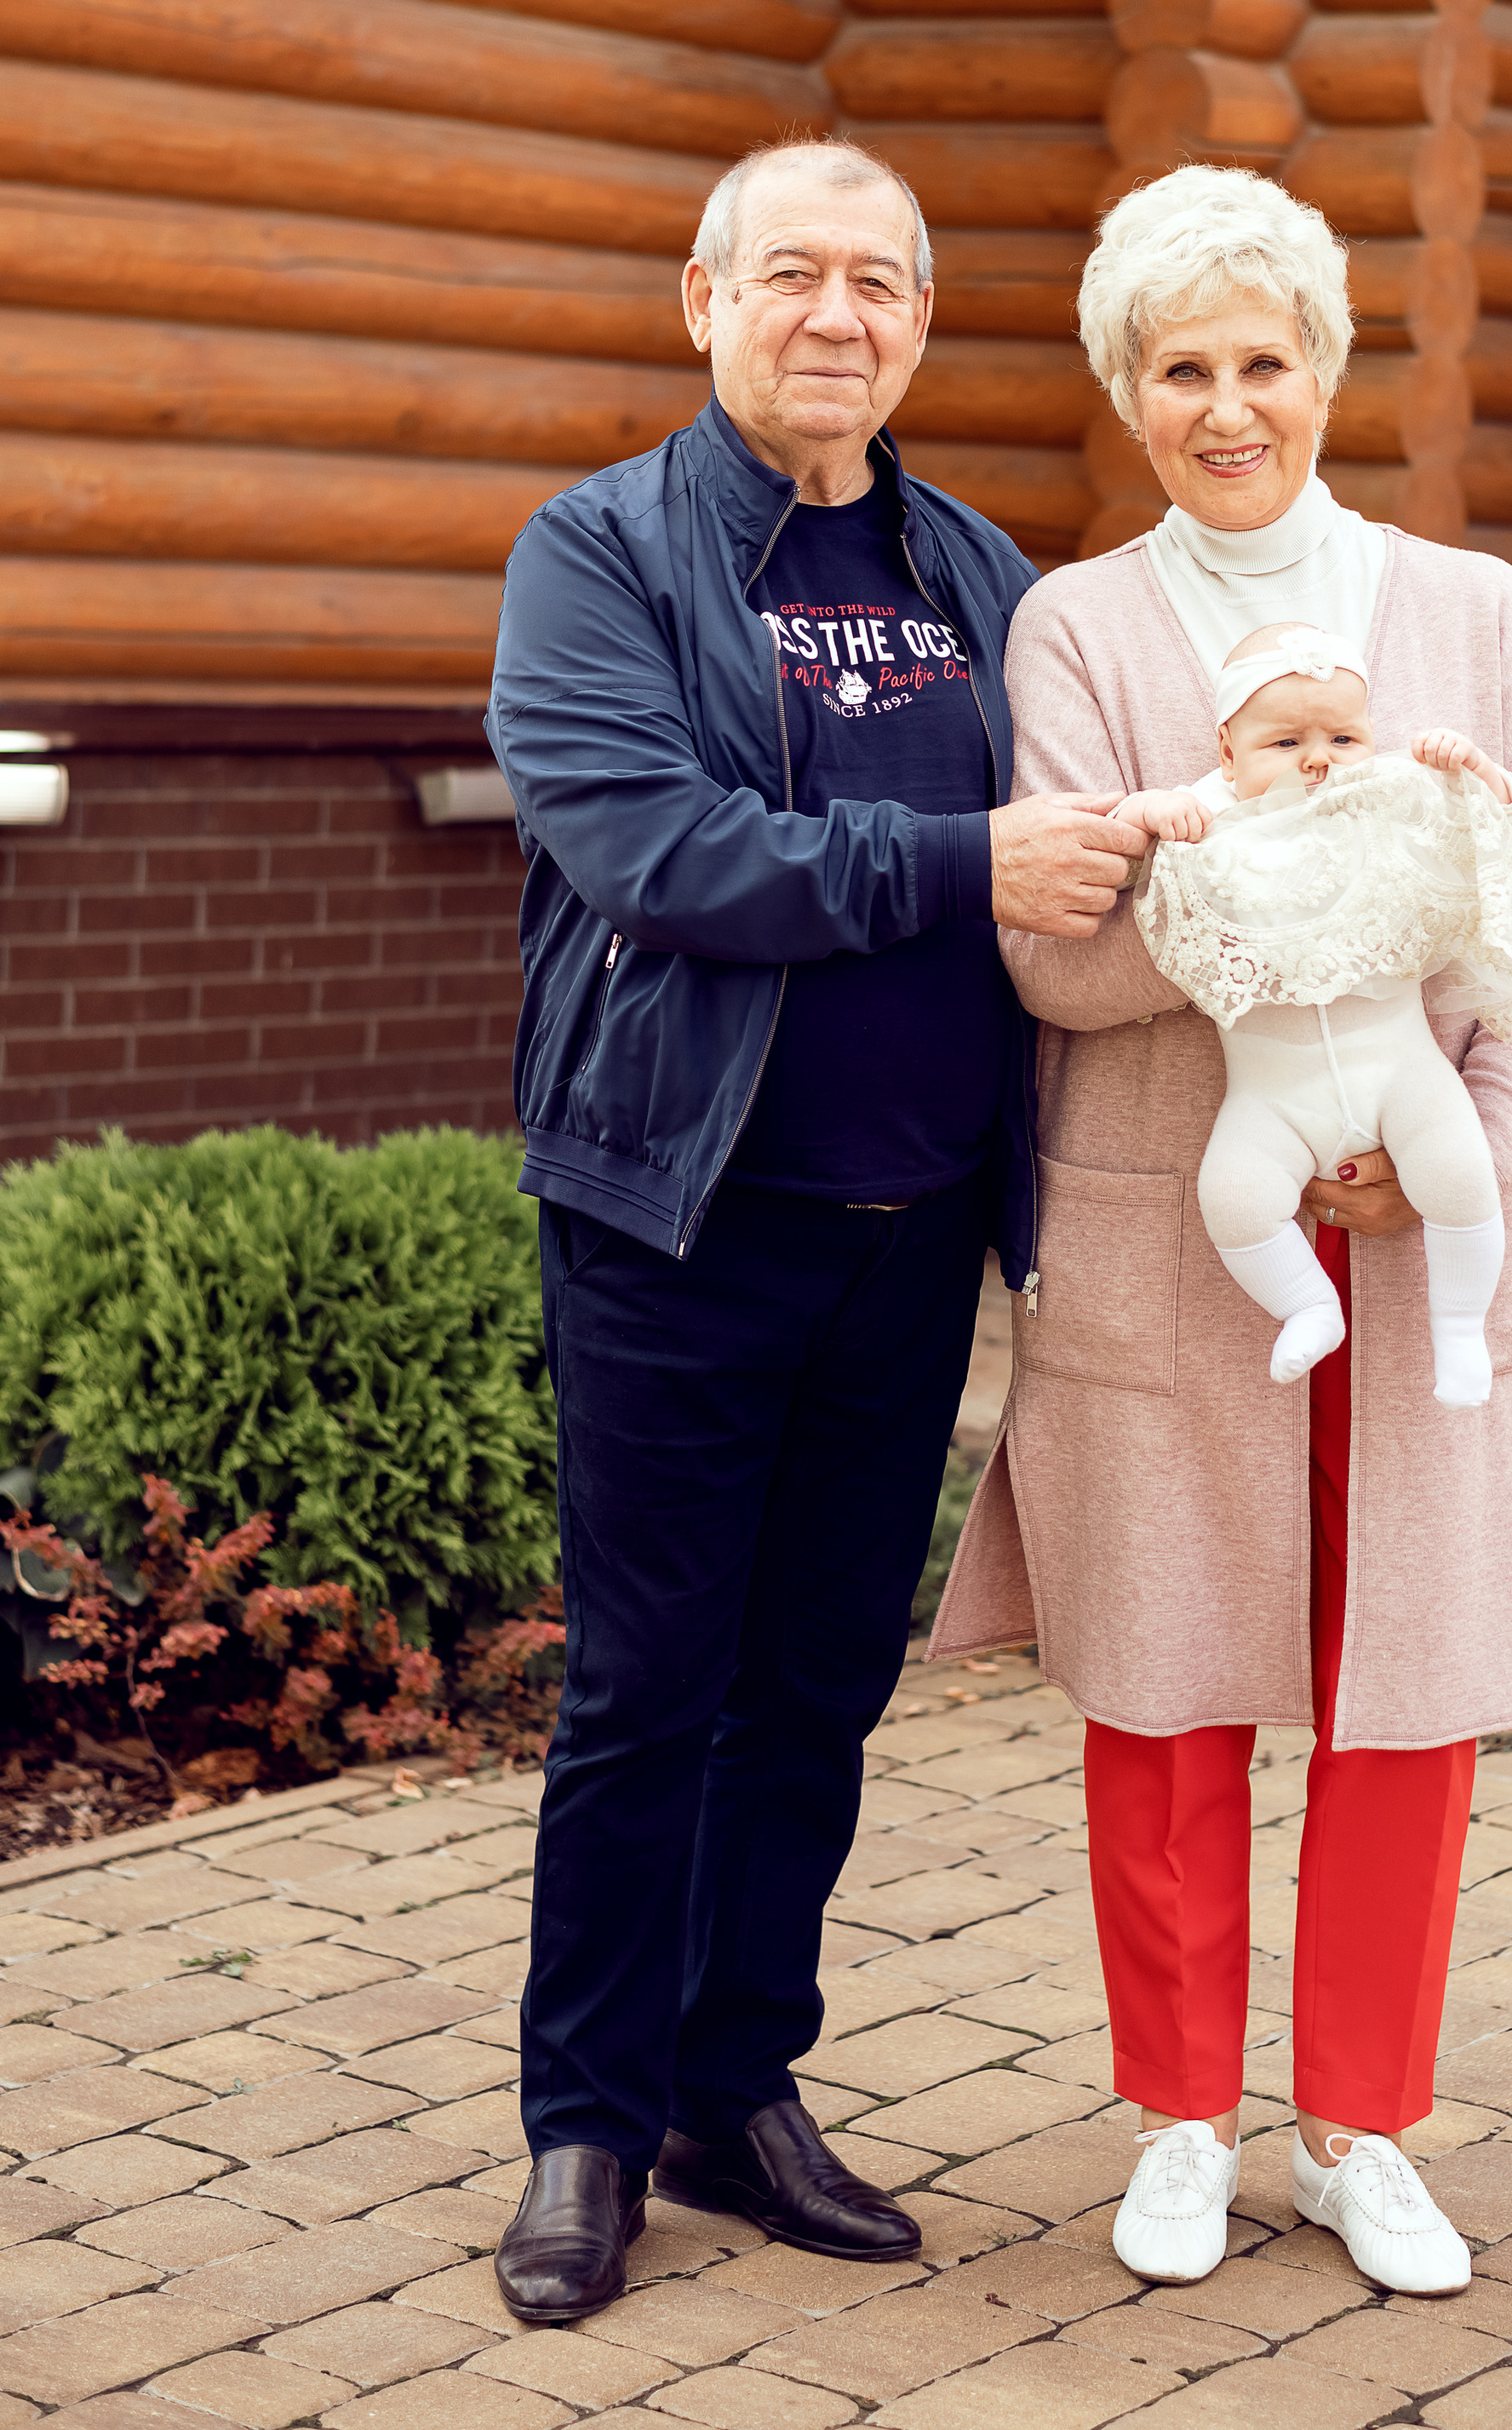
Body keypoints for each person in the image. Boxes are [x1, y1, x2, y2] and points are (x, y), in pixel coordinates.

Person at [928, 164, 1512, 2299]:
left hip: (1415, 1231)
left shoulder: (1470, 614)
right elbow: (1054, 956)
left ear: (1324, 366)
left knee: (1398, 1693)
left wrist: (1466, 1132)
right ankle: (1177, 2116)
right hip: (1178, 1228)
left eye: (1260, 359)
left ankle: (1356, 2127)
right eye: (1177, 369)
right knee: (1162, 1686)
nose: (1224, 406)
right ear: (1124, 391)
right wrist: (1296, 885)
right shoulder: (1076, 630)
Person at [484, 138, 1138, 2325]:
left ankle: (729, 2083)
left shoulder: (983, 572)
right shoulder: (595, 551)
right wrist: (957, 861)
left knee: (816, 1688)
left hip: (910, 1224)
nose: (833, 314)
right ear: (704, 300)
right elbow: (658, 846)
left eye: (878, 281)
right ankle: (584, 2126)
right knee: (646, 1685)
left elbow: (1107, 842)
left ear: (922, 323)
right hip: (680, 1217)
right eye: (789, 273)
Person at [1114, 620, 1512, 1397]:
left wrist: (1472, 768)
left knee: (1460, 1172)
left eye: (1343, 738)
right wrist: (1145, 814)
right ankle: (1307, 1306)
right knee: (1234, 1196)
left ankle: (1460, 1330)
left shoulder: (1381, 791)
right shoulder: (1205, 810)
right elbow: (1123, 855)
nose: (1318, 759)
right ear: (1228, 752)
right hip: (1272, 1098)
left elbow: (1487, 819)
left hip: (1401, 1072)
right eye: (1286, 743)